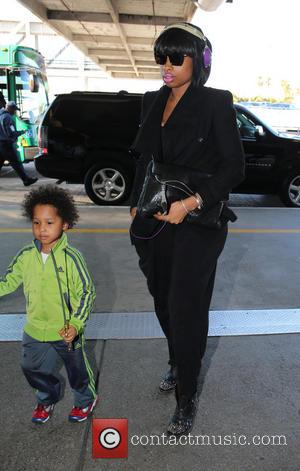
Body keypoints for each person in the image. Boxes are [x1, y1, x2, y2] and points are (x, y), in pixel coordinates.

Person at [129, 22, 245, 436]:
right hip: (155, 220)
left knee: (185, 307)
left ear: (199, 61)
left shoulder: (215, 102)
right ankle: (178, 361)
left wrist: (191, 202)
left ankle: (187, 395)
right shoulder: (151, 101)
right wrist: (135, 205)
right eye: (161, 56)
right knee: (162, 300)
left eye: (177, 57)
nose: (167, 65)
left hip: (198, 221)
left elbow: (235, 167)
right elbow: (145, 158)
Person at [0, 185, 97, 424]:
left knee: (77, 372)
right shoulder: (25, 255)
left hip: (66, 331)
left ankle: (85, 400)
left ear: (65, 224)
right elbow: (8, 280)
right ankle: (47, 398)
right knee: (30, 367)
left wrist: (75, 324)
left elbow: (87, 291)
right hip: (34, 329)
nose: (42, 229)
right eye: (36, 223)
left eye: (49, 222)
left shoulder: (72, 258)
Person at [0, 101, 38, 186]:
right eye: (14, 110)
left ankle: (26, 179)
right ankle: (26, 180)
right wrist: (21, 132)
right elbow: (10, 133)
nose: (15, 112)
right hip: (6, 144)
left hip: (1, 143)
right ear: (10, 109)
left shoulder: (1, 115)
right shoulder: (7, 117)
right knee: (16, 162)